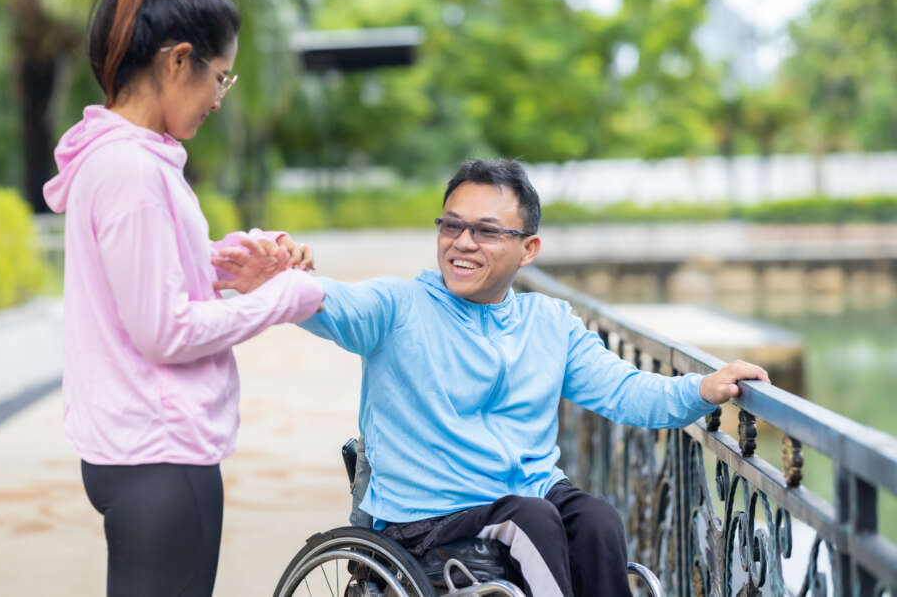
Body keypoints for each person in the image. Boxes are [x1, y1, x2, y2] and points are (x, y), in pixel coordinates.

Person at [295, 159, 769, 597]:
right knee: (532, 520)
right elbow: (332, 304)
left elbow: (624, 390)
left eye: (485, 231)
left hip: (528, 494)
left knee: (596, 518)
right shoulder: (398, 307)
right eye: (452, 225)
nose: (462, 242)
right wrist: (290, 281)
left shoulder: (549, 322)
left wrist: (703, 388)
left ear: (528, 249)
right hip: (427, 514)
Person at [42, 0, 324, 597]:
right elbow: (165, 330)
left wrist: (230, 262)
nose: (221, 97)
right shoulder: (132, 171)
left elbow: (143, 273)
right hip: (160, 455)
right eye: (220, 76)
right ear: (177, 62)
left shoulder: (116, 158)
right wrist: (286, 298)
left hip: (136, 452)